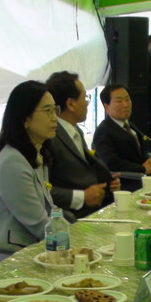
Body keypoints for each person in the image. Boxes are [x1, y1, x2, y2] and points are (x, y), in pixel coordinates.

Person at [0, 81, 56, 262]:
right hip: (8, 260)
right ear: (25, 118)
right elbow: (39, 224)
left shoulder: (34, 153)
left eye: (56, 110)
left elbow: (49, 213)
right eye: (47, 111)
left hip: (31, 250)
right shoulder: (12, 163)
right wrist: (76, 240)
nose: (55, 118)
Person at [46, 71, 120, 219]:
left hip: (95, 209)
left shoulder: (75, 130)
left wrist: (106, 182)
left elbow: (83, 170)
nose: (87, 103)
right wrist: (82, 197)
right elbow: (41, 191)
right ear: (71, 104)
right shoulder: (50, 137)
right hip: (68, 216)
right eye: (85, 97)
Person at [92, 84, 151, 178]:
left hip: (143, 176)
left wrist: (150, 161)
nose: (125, 105)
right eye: (119, 101)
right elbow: (110, 163)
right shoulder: (103, 131)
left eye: (127, 99)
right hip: (126, 180)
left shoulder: (129, 125)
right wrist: (142, 168)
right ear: (106, 106)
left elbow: (138, 154)